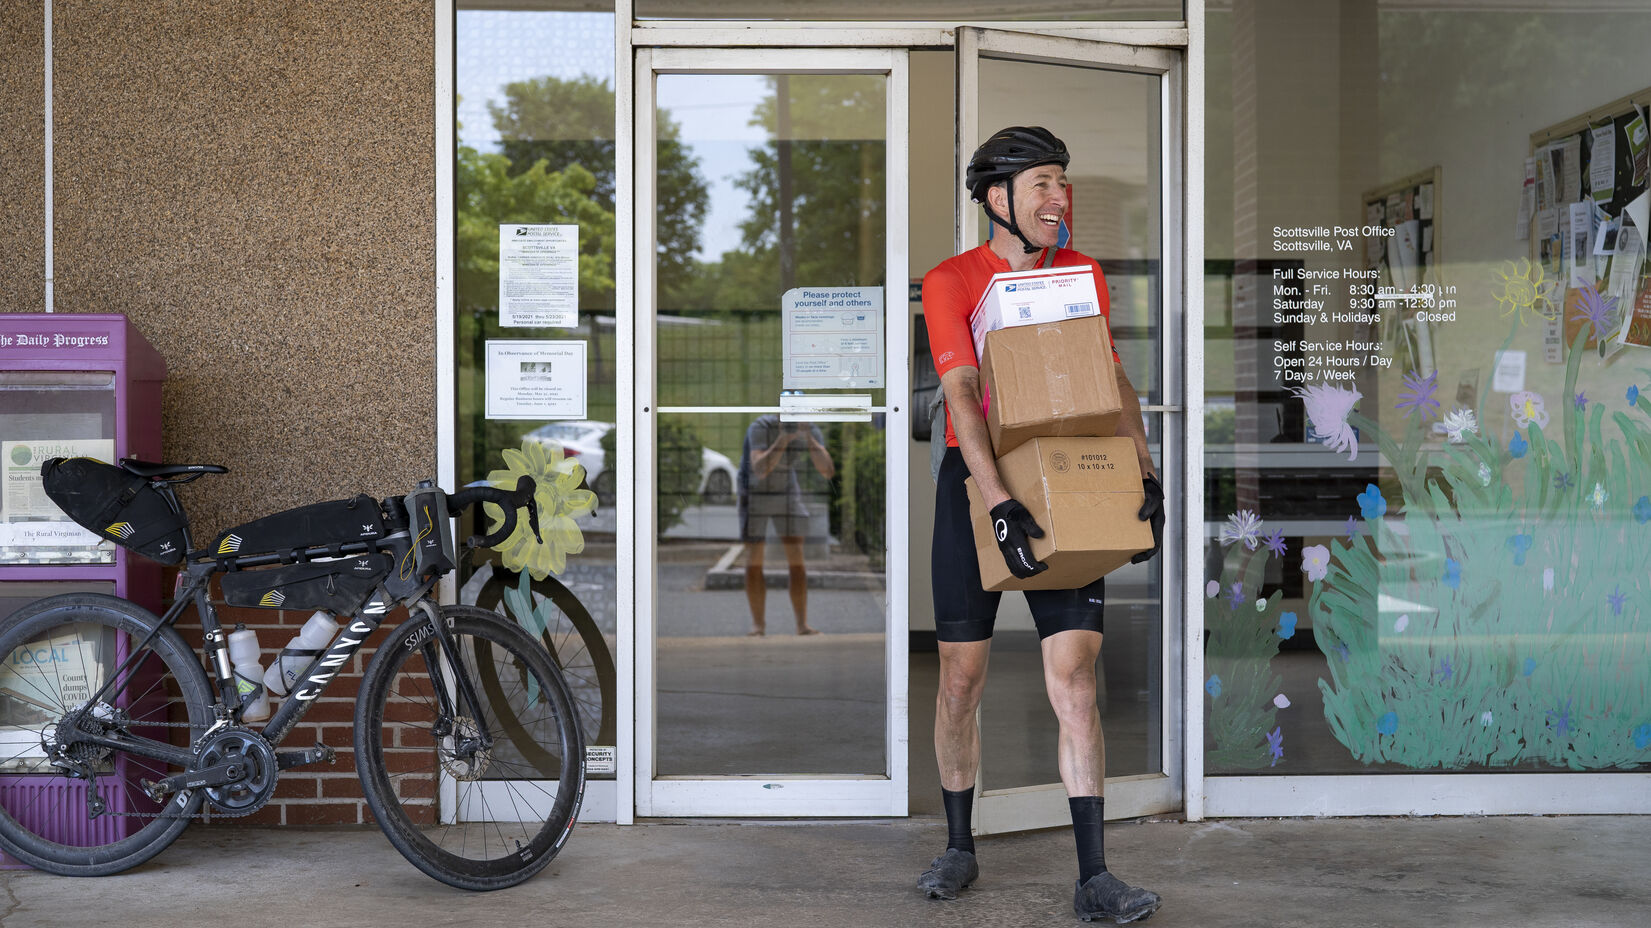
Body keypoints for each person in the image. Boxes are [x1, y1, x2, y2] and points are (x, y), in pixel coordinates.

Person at [915, 126, 1166, 924]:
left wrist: (1142, 465)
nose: (1060, 198)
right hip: (979, 481)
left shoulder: (1081, 272)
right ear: (998, 200)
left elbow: (1112, 377)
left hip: (1064, 475)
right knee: (960, 677)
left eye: (1063, 183)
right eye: (1043, 184)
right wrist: (994, 499)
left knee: (1075, 677)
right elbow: (959, 393)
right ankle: (959, 846)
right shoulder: (951, 280)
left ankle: (1095, 875)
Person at [736, 414, 835, 636]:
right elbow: (760, 469)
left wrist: (809, 439)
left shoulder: (806, 427)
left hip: (786, 489)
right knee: (754, 558)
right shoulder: (760, 427)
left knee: (796, 556)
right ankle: (758, 625)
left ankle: (802, 624)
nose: (794, 419)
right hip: (753, 490)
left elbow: (827, 471)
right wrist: (783, 438)